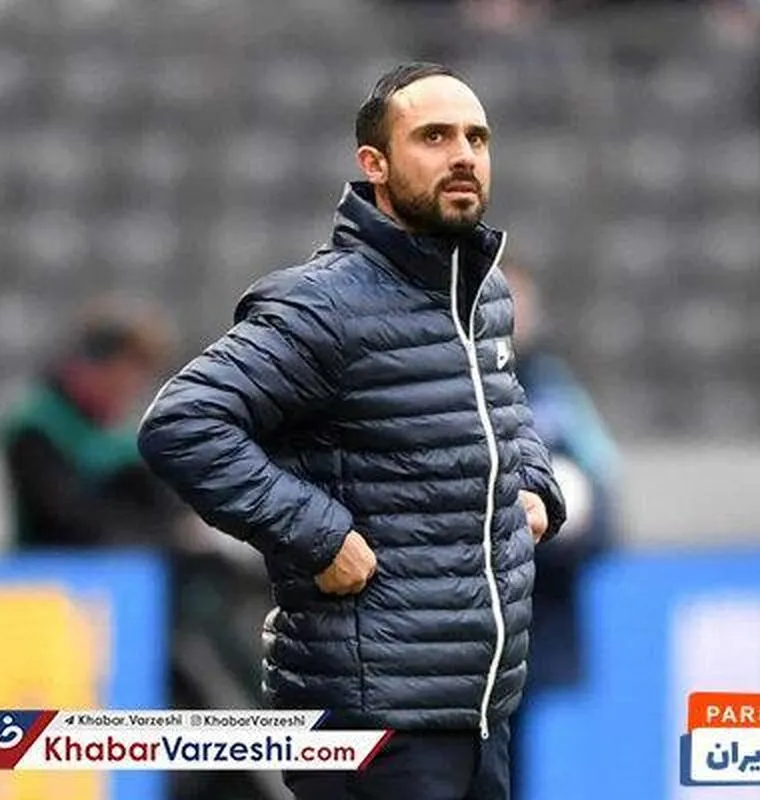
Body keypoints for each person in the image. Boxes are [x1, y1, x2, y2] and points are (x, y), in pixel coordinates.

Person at [137, 62, 567, 800]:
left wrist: (534, 482)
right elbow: (183, 422)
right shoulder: (324, 305)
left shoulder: (483, 293)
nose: (463, 155)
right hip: (372, 721)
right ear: (375, 164)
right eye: (434, 137)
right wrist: (317, 535)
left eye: (476, 137)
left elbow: (502, 404)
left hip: (480, 711)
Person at [500, 262, 619, 796]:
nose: (513, 317)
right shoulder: (442, 384)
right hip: (460, 618)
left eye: (521, 304)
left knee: (512, 755)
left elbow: (603, 495)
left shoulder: (555, 391)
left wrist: (566, 532)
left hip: (535, 615)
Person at [0, 298, 180, 550]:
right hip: (50, 570)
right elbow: (67, 519)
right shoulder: (36, 430)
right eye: (120, 377)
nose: (131, 389)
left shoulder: (120, 437)